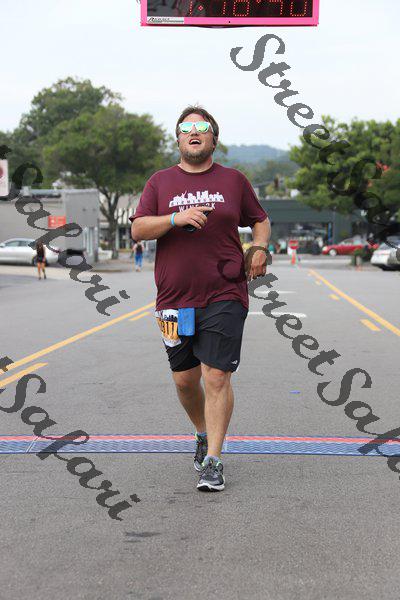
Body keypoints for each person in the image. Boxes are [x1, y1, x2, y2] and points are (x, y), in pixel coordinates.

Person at [130, 105, 271, 492]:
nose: (194, 131)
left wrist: (259, 247)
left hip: (225, 291)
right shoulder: (159, 182)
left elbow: (259, 219)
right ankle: (201, 432)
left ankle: (214, 459)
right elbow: (139, 229)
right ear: (178, 139)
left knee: (217, 375)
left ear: (213, 138)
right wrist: (175, 218)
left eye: (202, 126)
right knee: (184, 381)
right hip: (174, 298)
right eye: (186, 127)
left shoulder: (233, 180)